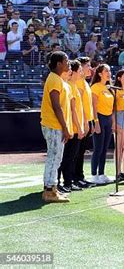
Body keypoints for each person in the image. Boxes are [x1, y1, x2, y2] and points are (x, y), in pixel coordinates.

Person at [40, 51, 72, 202]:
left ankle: (51, 188)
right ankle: (49, 191)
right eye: (66, 60)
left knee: (56, 158)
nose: (68, 63)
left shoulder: (57, 79)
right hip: (53, 125)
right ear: (59, 63)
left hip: (55, 125)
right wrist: (65, 128)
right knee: (54, 158)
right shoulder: (54, 79)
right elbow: (56, 106)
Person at [58, 60, 85, 194]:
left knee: (72, 157)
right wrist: (79, 128)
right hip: (72, 128)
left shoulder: (73, 85)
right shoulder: (69, 85)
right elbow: (73, 110)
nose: (81, 72)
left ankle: (69, 182)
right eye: (79, 70)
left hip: (74, 127)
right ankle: (65, 183)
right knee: (67, 157)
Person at [90, 64, 115, 184]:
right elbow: (93, 106)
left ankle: (102, 173)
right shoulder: (95, 87)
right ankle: (94, 175)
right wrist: (96, 122)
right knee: (98, 148)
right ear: (100, 74)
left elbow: (112, 107)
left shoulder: (109, 87)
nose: (109, 73)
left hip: (108, 118)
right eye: (106, 71)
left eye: (109, 71)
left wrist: (113, 122)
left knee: (105, 148)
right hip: (99, 117)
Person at [73, 57, 96, 188]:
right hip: (81, 122)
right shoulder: (78, 83)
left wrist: (90, 121)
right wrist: (85, 123)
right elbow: (79, 105)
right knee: (76, 152)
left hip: (87, 120)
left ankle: (80, 177)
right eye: (87, 66)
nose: (90, 68)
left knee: (81, 151)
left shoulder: (85, 83)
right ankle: (74, 178)